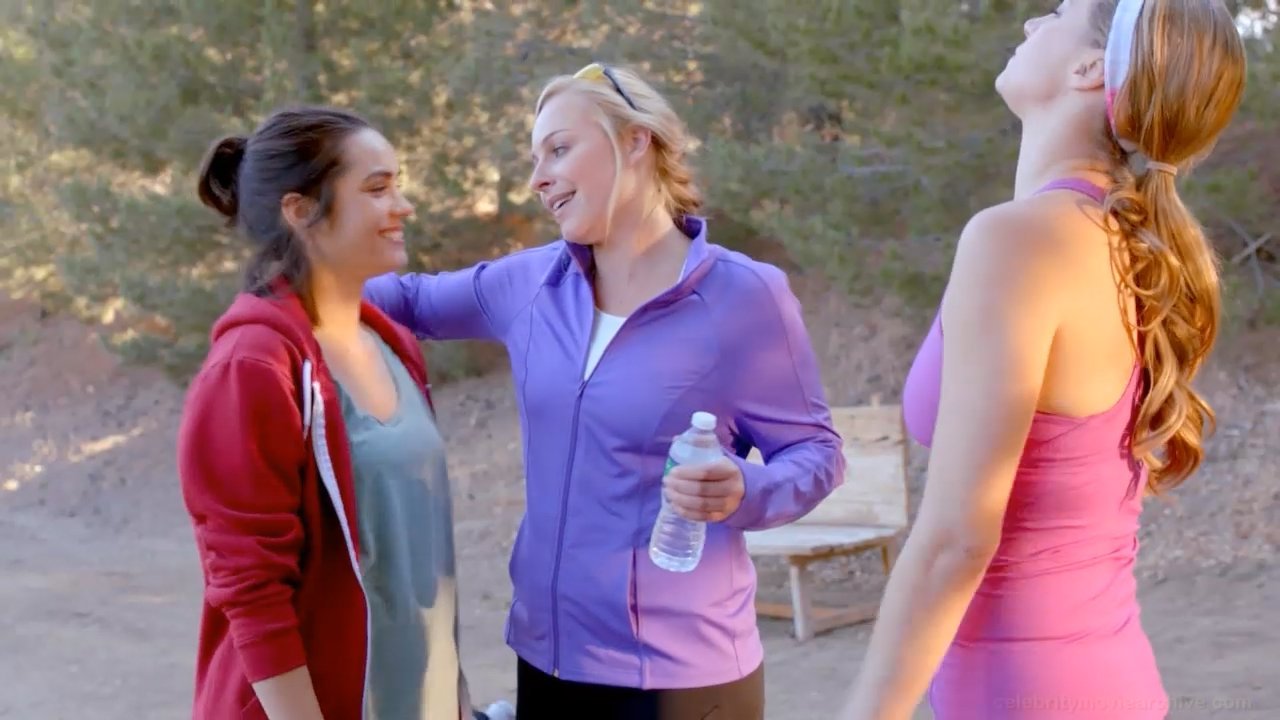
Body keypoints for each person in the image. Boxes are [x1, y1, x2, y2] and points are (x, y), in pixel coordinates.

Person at [364, 62, 847, 719]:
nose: (538, 179)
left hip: (684, 679)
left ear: (635, 140)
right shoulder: (531, 285)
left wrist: (745, 488)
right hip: (548, 660)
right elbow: (399, 300)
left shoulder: (745, 296)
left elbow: (816, 454)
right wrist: (297, 262)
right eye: (535, 160)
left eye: (559, 149)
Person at [840, 1, 1246, 718]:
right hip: (1108, 681)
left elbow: (955, 540)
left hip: (1021, 694)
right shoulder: (1130, 246)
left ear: (1090, 67)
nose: (1031, 24)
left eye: (1057, 12)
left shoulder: (1021, 241)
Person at [178, 106, 506, 720]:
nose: (403, 206)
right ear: (300, 210)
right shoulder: (253, 364)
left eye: (397, 184)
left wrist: (454, 700)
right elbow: (251, 589)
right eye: (377, 189)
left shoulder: (392, 343)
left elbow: (418, 557)